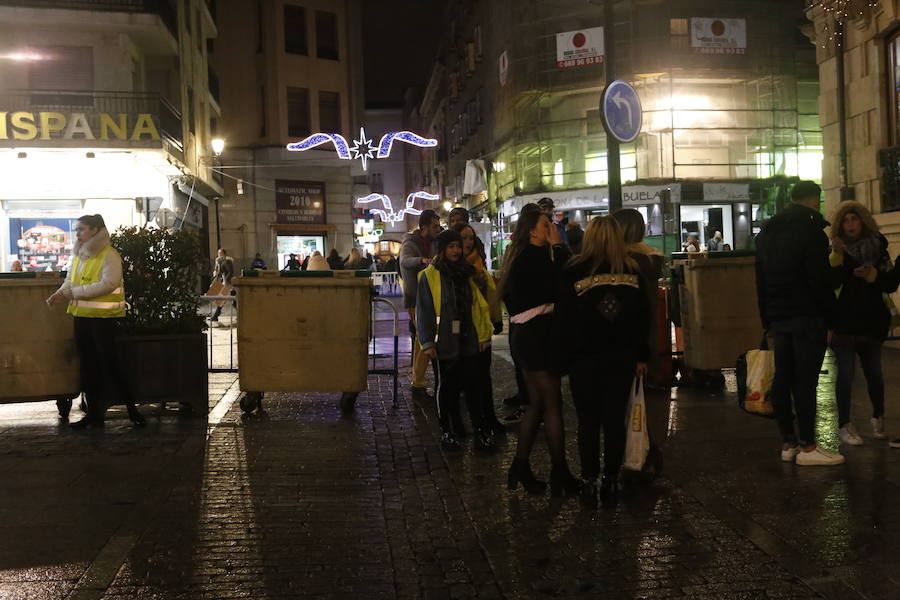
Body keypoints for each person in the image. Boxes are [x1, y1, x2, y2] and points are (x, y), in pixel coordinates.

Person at [556, 217, 649, 508]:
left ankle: (588, 479)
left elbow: (564, 318)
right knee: (613, 419)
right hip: (620, 357)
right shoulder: (633, 270)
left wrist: (564, 357)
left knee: (587, 421)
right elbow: (640, 320)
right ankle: (610, 477)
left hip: (584, 358)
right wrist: (641, 356)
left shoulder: (572, 271)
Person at [755, 180, 842, 466]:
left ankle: (788, 443)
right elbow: (819, 281)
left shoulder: (767, 233)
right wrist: (831, 318)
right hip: (807, 316)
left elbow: (760, 279)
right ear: (814, 201)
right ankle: (808, 446)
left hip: (779, 316)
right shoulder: (811, 232)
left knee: (783, 379)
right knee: (806, 381)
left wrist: (767, 317)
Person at [501, 204, 580, 497]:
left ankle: (521, 466)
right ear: (533, 230)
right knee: (552, 403)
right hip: (534, 336)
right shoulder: (534, 258)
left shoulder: (523, 256)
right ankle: (560, 471)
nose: (552, 230)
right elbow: (567, 275)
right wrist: (560, 248)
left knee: (537, 403)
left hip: (530, 334)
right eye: (547, 225)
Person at [45, 214, 144, 428]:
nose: (77, 234)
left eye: (81, 229)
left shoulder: (109, 255)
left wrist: (72, 293)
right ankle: (94, 415)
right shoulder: (80, 256)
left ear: (95, 230)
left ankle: (132, 410)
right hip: (82, 318)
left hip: (104, 320)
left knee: (111, 365)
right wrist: (59, 294)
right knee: (89, 367)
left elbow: (109, 283)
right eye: (77, 229)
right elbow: (70, 281)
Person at [828, 201, 900, 446]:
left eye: (855, 219)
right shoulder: (835, 250)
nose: (851, 224)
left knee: (875, 375)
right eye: (846, 220)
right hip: (844, 322)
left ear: (863, 222)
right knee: (846, 375)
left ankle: (878, 418)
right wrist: (836, 255)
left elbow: (890, 283)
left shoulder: (878, 248)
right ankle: (844, 425)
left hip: (872, 321)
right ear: (840, 225)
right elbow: (830, 284)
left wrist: (873, 276)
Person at [417, 229, 495, 451]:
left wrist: (482, 334)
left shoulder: (468, 273)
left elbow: (477, 306)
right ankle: (447, 432)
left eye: (457, 246)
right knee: (447, 387)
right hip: (444, 342)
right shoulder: (429, 276)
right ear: (441, 250)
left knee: (473, 387)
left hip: (468, 338)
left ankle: (480, 432)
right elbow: (425, 311)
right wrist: (428, 343)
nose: (456, 250)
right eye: (451, 246)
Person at [613, 208, 665, 473]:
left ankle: (642, 453)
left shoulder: (629, 261)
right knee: (640, 398)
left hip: (633, 338)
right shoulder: (649, 258)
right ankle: (647, 450)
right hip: (648, 334)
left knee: (630, 400)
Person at [455, 222, 505, 437]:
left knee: (484, 378)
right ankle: (477, 425)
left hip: (483, 330)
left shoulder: (480, 265)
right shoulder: (455, 267)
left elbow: (490, 295)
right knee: (470, 381)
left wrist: (496, 319)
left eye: (470, 238)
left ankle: (490, 418)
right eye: (463, 238)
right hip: (467, 332)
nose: (467, 242)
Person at [400, 210, 442, 402]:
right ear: (424, 227)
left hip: (429, 296)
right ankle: (417, 383)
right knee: (425, 338)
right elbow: (405, 261)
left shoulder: (434, 242)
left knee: (421, 338)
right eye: (434, 226)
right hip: (415, 297)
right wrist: (422, 260)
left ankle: (417, 380)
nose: (438, 229)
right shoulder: (410, 243)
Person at [211, 248, 235, 322]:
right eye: (218, 253)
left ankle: (215, 316)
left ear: (224, 254)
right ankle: (215, 315)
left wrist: (227, 281)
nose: (219, 255)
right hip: (225, 282)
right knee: (231, 299)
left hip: (227, 283)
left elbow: (230, 272)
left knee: (221, 299)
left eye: (220, 253)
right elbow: (219, 273)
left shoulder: (227, 261)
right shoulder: (221, 262)